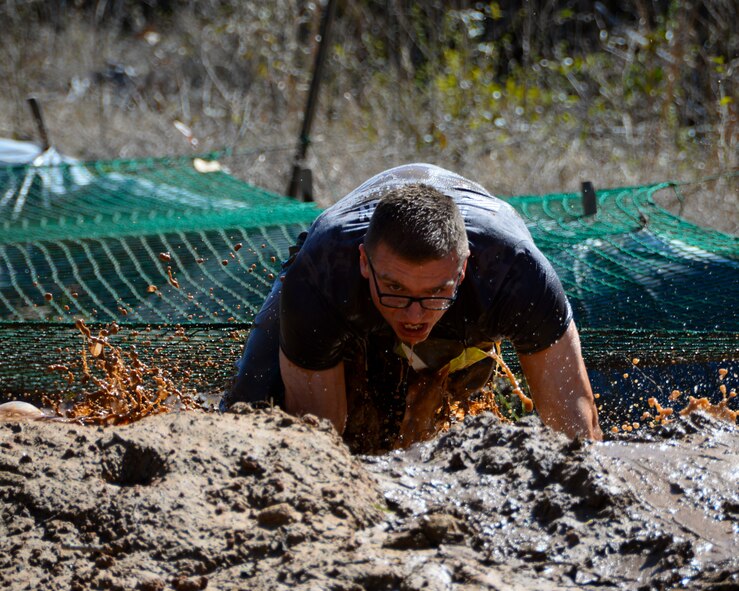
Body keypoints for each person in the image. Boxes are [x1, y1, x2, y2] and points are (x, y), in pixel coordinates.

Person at [222, 163, 603, 452]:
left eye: (435, 290)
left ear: (464, 269)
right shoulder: (322, 274)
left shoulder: (516, 275)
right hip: (341, 298)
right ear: (363, 262)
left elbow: (576, 429)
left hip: (467, 319)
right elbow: (317, 440)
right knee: (255, 418)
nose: (414, 315)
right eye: (395, 287)